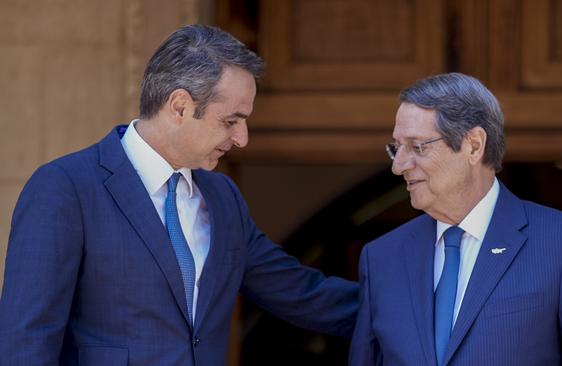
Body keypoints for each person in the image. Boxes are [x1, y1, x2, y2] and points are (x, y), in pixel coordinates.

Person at [0, 25, 357, 365]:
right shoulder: (65, 188)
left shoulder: (223, 197)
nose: (242, 138)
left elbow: (302, 293)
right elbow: (26, 341)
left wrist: (405, 307)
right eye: (231, 121)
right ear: (180, 106)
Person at [349, 72, 562, 365]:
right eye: (396, 147)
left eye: (417, 146)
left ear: (473, 145)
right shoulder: (381, 257)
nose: (398, 166)